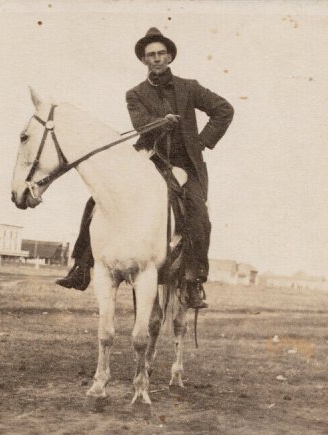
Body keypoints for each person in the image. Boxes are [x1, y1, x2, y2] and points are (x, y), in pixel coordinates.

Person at [56, 27, 234, 309]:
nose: (157, 58)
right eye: (151, 55)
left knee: (199, 215)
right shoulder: (135, 94)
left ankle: (193, 281)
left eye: (162, 53)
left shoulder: (190, 87)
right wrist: (163, 120)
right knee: (98, 199)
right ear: (143, 60)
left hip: (186, 165)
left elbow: (224, 110)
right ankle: (81, 266)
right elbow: (141, 124)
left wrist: (200, 143)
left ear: (170, 56)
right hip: (149, 160)